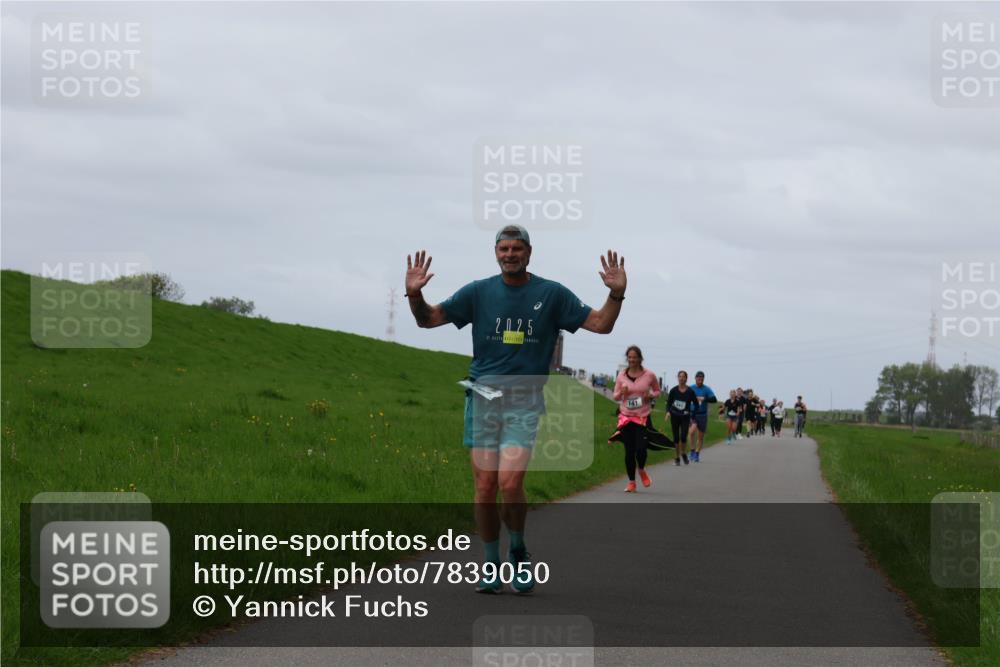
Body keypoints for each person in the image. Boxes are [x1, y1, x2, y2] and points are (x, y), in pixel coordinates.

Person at [405, 225, 627, 594]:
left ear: (529, 252)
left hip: (524, 400)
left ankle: (519, 552)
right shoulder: (479, 292)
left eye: (517, 248)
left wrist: (616, 294)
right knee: (484, 486)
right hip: (482, 397)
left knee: (510, 484)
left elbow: (600, 324)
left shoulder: (551, 294)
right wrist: (416, 295)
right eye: (504, 248)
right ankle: (491, 562)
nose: (510, 254)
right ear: (496, 252)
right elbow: (428, 319)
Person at [612, 346, 660, 492]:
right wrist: (622, 392)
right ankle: (631, 482)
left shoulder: (649, 375)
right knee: (629, 451)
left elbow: (658, 391)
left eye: (635, 357)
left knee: (641, 449)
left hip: (642, 416)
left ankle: (641, 469)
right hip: (626, 417)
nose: (632, 360)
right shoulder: (621, 375)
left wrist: (650, 396)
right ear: (627, 358)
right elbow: (615, 396)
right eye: (630, 357)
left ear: (640, 358)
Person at [666, 370, 697, 465]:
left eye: (683, 377)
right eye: (680, 376)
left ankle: (683, 453)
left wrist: (692, 415)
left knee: (683, 437)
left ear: (686, 379)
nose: (681, 378)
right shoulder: (673, 390)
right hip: (674, 415)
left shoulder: (690, 391)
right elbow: (669, 403)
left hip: (685, 416)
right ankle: (677, 458)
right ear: (678, 378)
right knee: (676, 437)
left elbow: (696, 404)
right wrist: (667, 412)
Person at [687, 371, 717, 462]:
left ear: (703, 379)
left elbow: (714, 399)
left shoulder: (706, 389)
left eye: (701, 378)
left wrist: (704, 398)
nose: (700, 379)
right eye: (698, 378)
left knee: (700, 436)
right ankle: (692, 451)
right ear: (695, 378)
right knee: (691, 432)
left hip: (703, 415)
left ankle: (697, 454)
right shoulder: (691, 388)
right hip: (693, 414)